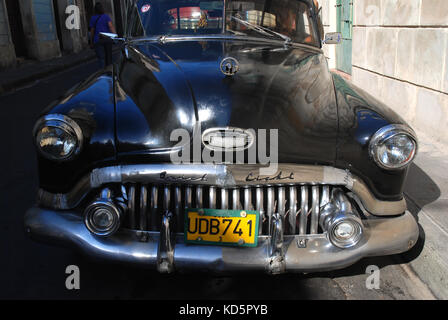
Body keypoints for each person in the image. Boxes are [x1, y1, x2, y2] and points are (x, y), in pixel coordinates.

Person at [89, 2, 116, 68]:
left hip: (97, 40)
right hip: (107, 39)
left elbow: (92, 31)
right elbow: (111, 26)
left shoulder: (93, 18)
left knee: (101, 58)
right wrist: (115, 36)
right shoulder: (106, 16)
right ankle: (109, 72)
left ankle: (103, 72)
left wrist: (91, 41)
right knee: (109, 57)